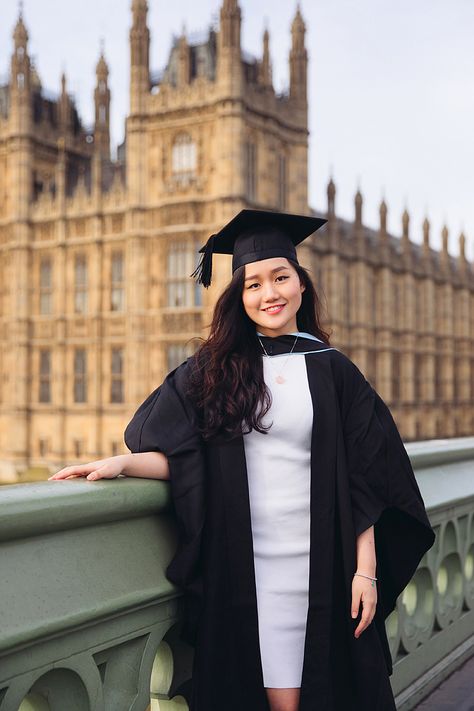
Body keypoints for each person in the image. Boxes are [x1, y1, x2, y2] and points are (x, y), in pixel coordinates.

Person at [49, 209, 436, 711]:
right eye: (253, 284)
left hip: (324, 561)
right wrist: (123, 465)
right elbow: (192, 458)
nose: (269, 293)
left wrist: (366, 569)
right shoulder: (216, 369)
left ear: (301, 285)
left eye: (280, 277)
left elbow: (365, 475)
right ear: (239, 296)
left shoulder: (334, 370)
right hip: (248, 565)